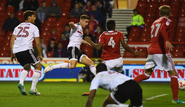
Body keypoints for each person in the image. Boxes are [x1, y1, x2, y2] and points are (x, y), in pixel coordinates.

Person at [133, 5, 185, 104]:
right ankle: (175, 99)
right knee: (173, 74)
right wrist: (167, 41)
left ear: (159, 13)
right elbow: (161, 30)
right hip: (160, 52)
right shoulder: (166, 21)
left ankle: (127, 85)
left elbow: (156, 36)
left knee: (146, 74)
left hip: (151, 50)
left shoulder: (154, 22)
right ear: (169, 13)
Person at [10, 10, 43, 96]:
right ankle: (33, 89)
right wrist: (40, 54)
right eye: (33, 17)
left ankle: (21, 83)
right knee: (38, 67)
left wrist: (12, 54)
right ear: (29, 18)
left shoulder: (17, 27)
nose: (35, 18)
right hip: (27, 50)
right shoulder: (34, 27)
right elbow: (38, 43)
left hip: (17, 51)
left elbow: (11, 41)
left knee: (27, 67)